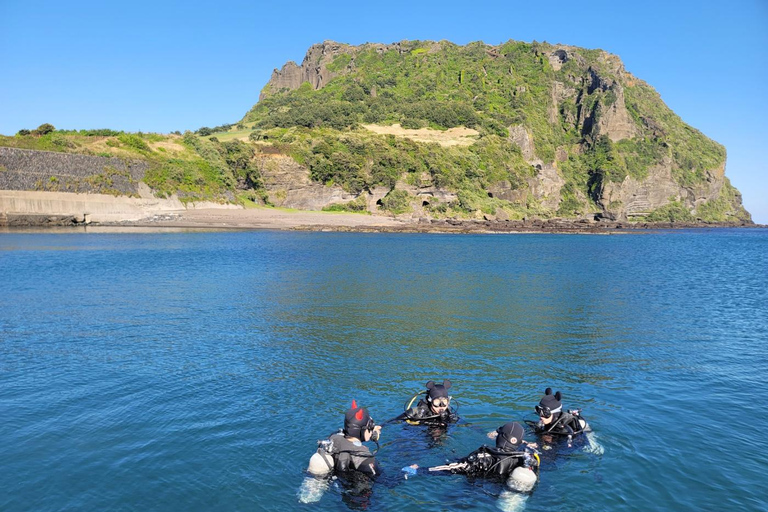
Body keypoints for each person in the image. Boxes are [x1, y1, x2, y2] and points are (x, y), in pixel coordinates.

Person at [408, 421, 539, 491]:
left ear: (501, 437)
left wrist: (420, 470)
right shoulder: (525, 457)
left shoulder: (485, 457)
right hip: (501, 490)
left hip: (478, 490)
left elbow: (453, 468)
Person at [307, 400, 383, 479]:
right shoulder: (366, 459)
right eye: (370, 426)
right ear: (363, 430)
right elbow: (388, 483)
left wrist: (370, 431)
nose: (371, 428)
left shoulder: (333, 438)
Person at [393, 379, 458, 425]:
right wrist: (382, 426)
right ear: (430, 401)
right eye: (437, 402)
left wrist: (446, 419)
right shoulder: (417, 412)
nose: (440, 407)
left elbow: (463, 424)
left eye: (444, 402)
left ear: (448, 402)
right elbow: (394, 421)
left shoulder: (449, 413)